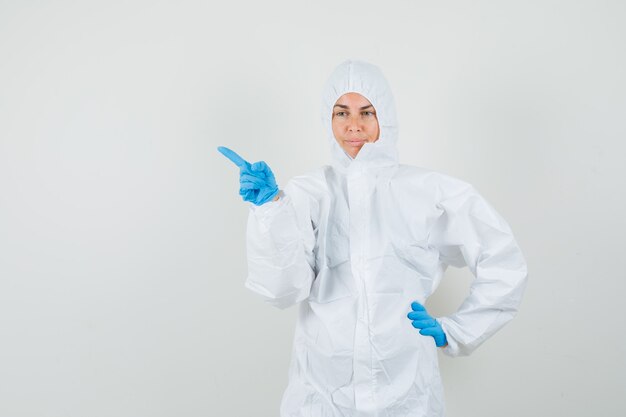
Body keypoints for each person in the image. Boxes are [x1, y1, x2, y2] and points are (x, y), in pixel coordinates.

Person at [218, 60, 528, 417]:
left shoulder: (429, 192)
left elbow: (504, 262)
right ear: (328, 120)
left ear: (386, 118)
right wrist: (270, 211)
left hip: (407, 396)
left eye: (367, 112)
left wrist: (455, 331)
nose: (354, 126)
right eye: (341, 113)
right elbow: (283, 290)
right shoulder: (309, 193)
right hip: (321, 395)